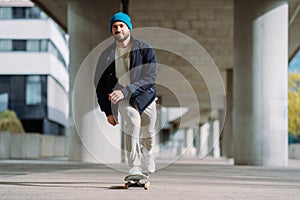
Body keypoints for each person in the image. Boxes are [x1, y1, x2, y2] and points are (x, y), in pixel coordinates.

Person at [94, 12, 158, 176]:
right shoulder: (106, 55)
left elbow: (150, 77)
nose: (118, 29)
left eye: (121, 25)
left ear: (129, 28)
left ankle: (149, 152)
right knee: (132, 122)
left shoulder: (145, 49)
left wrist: (126, 91)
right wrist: (108, 111)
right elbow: (99, 84)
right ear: (112, 31)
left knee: (148, 132)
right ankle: (135, 166)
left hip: (145, 96)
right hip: (123, 98)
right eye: (115, 27)